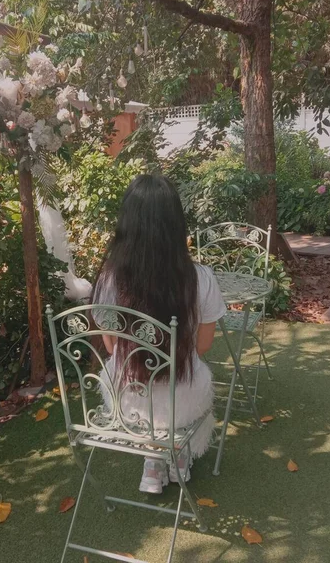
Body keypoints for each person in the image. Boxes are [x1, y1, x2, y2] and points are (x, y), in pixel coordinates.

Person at [91, 174, 226, 494]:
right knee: (191, 378)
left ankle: (153, 460)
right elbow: (204, 346)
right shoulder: (201, 279)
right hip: (184, 397)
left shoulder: (109, 280)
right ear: (176, 225)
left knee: (133, 380)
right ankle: (177, 457)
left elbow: (112, 348)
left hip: (126, 399)